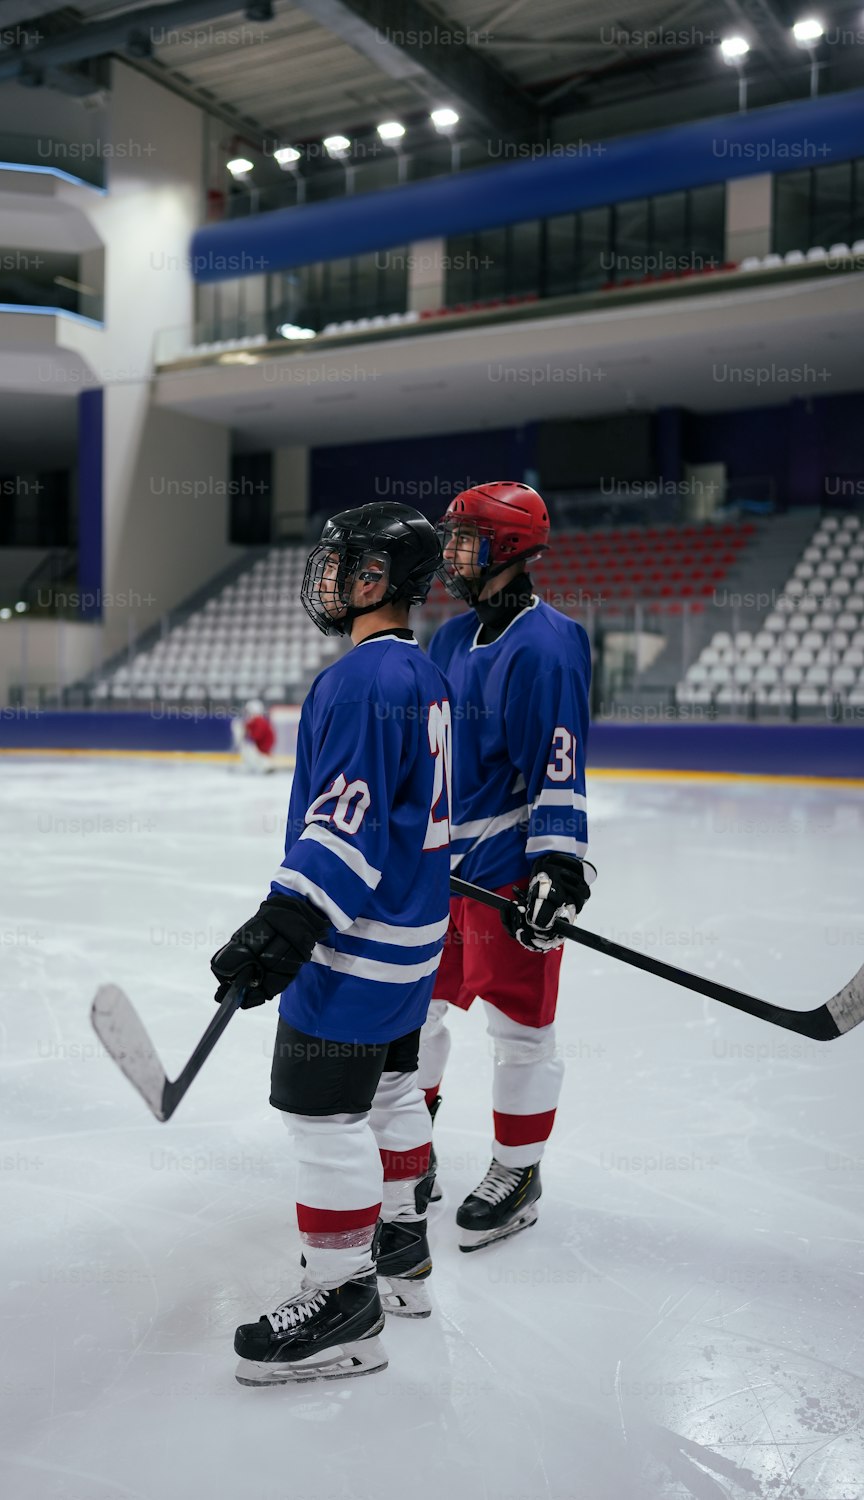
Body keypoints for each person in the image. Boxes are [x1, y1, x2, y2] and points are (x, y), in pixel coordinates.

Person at [210, 502, 453, 1386]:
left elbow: (344, 826)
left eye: (346, 566)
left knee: (323, 1115)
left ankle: (346, 1303)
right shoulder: (422, 675)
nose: (330, 579)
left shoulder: (355, 682)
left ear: (381, 579)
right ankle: (404, 1256)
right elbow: (399, 814)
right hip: (414, 941)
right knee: (393, 1090)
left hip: (358, 944)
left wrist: (287, 921)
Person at [418, 481, 596, 1252]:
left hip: (508, 877)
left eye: (466, 539)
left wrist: (558, 866)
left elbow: (560, 765)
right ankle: (408, 1152)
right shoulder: (450, 640)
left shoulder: (548, 644)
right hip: (440, 876)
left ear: (510, 548)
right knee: (414, 1013)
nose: (452, 552)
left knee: (520, 1032)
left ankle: (518, 1171)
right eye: (452, 538)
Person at [232, 697, 276, 774]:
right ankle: (261, 766)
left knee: (250, 752)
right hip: (262, 743)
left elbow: (256, 735)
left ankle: (265, 766)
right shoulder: (256, 720)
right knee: (250, 751)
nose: (247, 713)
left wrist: (246, 734)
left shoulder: (259, 721)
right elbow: (248, 727)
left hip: (263, 744)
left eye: (248, 710)